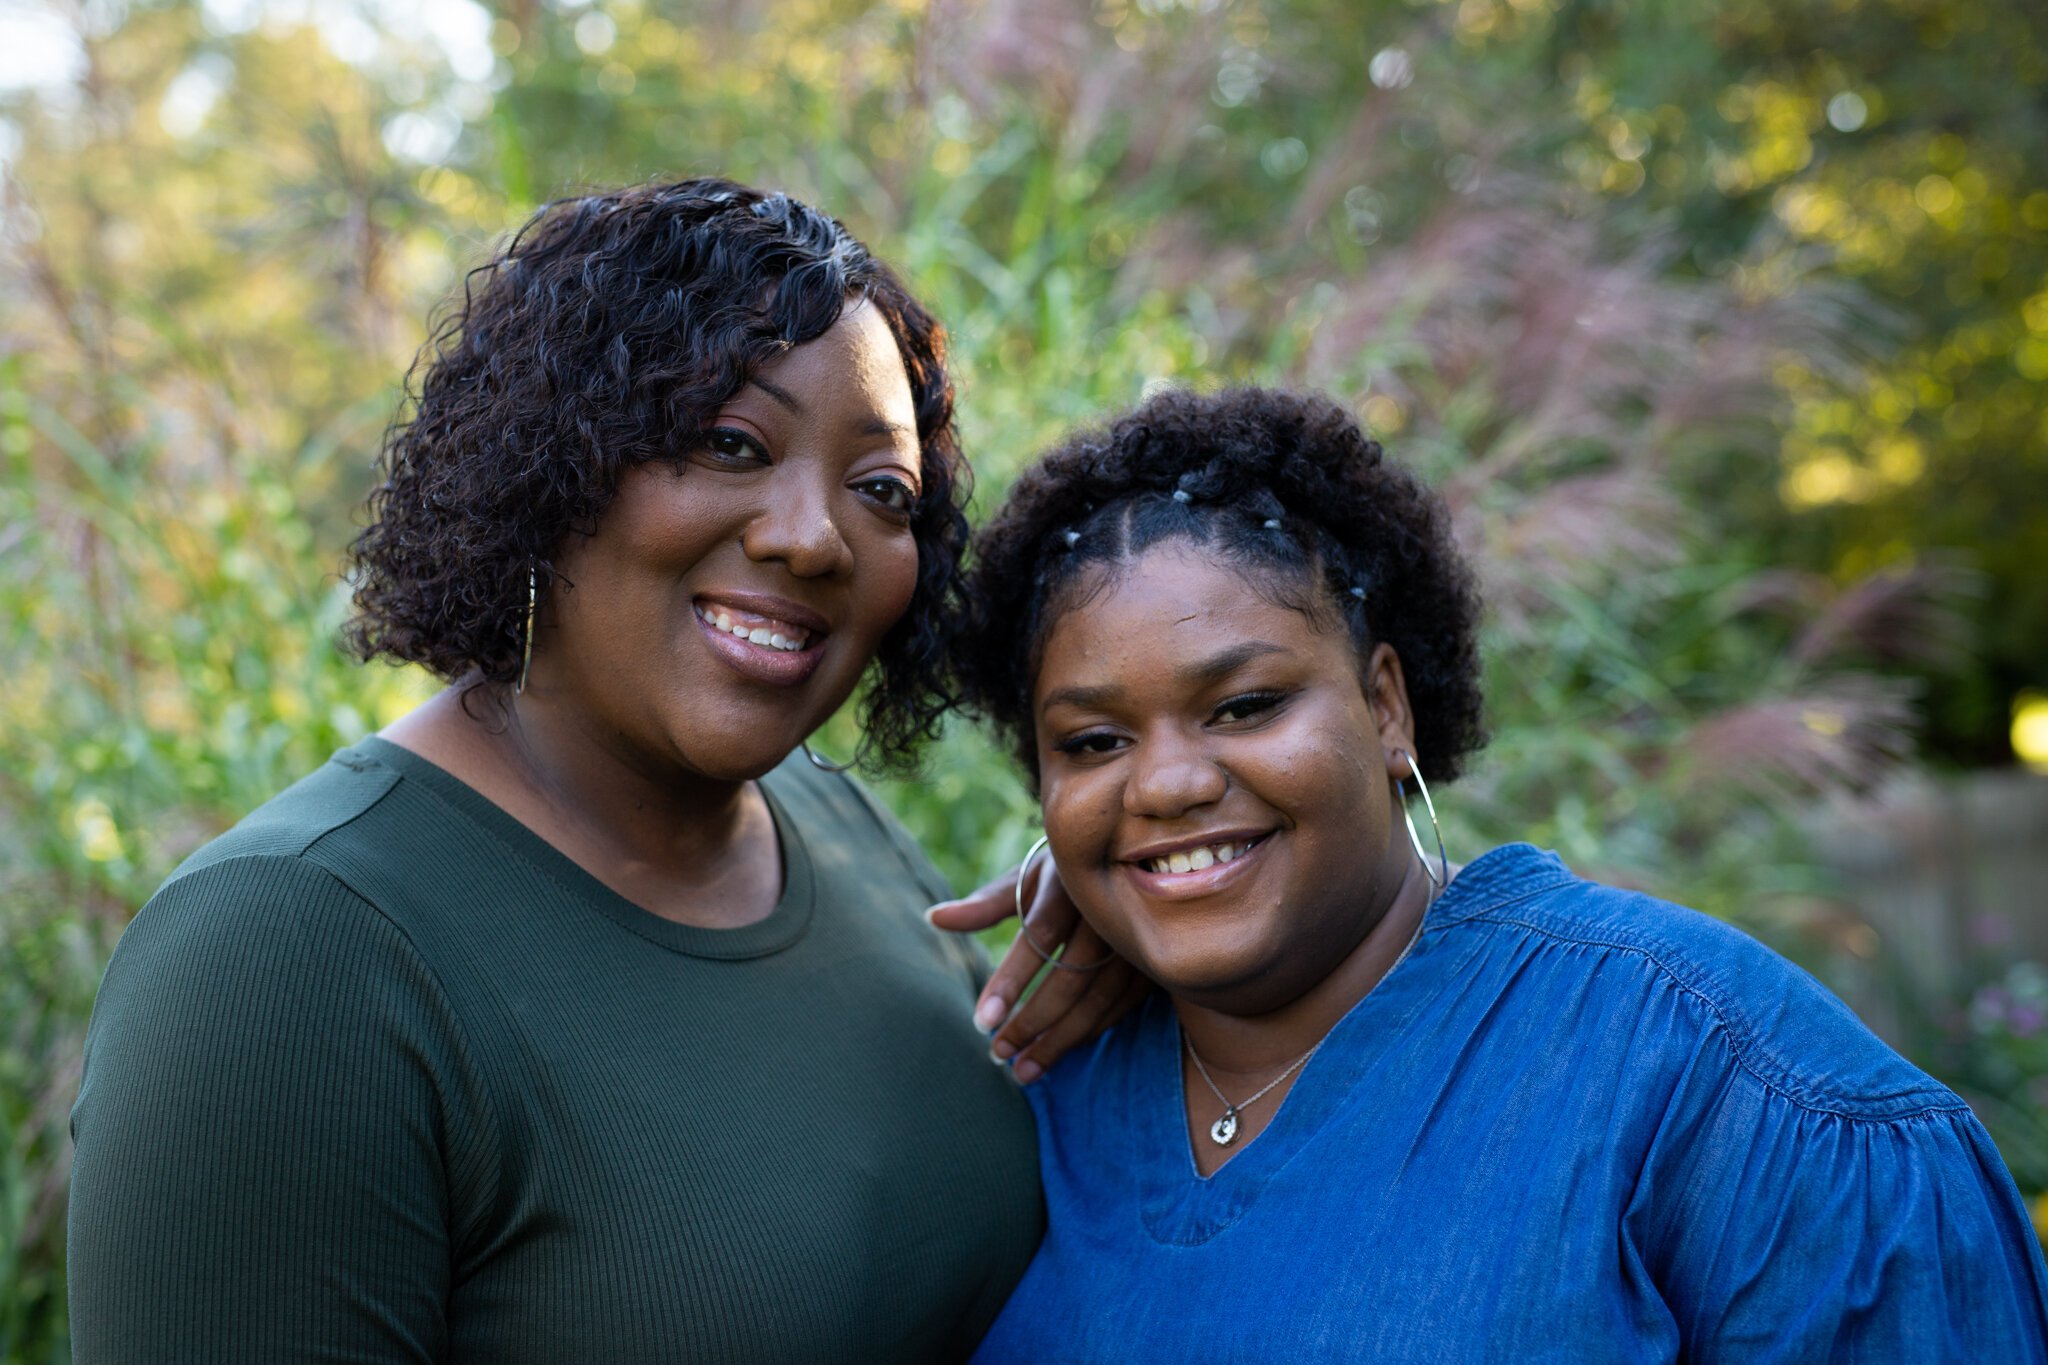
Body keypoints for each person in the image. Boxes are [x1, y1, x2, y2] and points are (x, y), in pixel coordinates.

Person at [66, 177, 1136, 1363]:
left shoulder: (839, 833)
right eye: (730, 443)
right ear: (551, 457)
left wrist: (1135, 909)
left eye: (879, 491)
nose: (811, 535)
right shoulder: (286, 951)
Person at [950, 386, 2048, 1362]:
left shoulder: (1708, 1086)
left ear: (1386, 706)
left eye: (1243, 707)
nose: (1166, 785)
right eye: (1093, 743)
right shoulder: (1045, 1103)